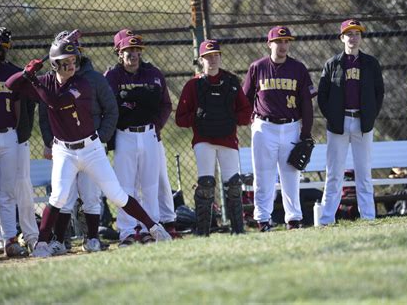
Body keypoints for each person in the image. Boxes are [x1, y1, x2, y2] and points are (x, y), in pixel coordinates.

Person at [6, 38, 171, 258]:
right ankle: (42, 243)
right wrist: (27, 73)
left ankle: (154, 228)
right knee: (59, 197)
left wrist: (34, 81)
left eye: (74, 60)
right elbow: (10, 84)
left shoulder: (81, 84)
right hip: (64, 150)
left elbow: (57, 102)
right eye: (66, 61)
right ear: (55, 64)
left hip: (91, 148)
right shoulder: (45, 81)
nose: (72, 65)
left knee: (117, 194)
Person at [39, 30, 118, 253]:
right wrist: (49, 142)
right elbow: (44, 116)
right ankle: (59, 241)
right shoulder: (51, 81)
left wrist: (100, 138)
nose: (71, 58)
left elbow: (111, 110)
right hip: (63, 146)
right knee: (64, 196)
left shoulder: (93, 78)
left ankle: (91, 238)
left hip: (91, 145)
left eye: (74, 50)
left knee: (91, 194)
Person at [242, 26, 316, 231]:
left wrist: (306, 132)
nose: (283, 45)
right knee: (263, 175)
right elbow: (245, 99)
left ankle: (293, 219)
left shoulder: (298, 68)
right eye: (279, 41)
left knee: (290, 175)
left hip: (291, 126)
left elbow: (307, 103)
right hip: (264, 127)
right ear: (269, 44)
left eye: (286, 41)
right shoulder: (257, 67)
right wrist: (251, 121)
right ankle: (262, 219)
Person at [176, 39, 251, 236]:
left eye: (216, 55)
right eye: (208, 56)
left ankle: (238, 230)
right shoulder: (193, 85)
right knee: (206, 185)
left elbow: (246, 112)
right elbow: (180, 119)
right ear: (201, 60)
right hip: (204, 140)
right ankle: (202, 232)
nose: (213, 59)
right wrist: (198, 117)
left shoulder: (231, 81)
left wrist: (230, 117)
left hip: (228, 139)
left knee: (234, 184)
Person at [105, 31, 172, 246]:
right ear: (119, 53)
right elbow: (107, 107)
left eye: (136, 50)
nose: (133, 55)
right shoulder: (112, 77)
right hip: (125, 135)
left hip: (149, 134)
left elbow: (166, 104)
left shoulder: (153, 73)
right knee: (125, 186)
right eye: (127, 51)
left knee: (150, 185)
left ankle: (148, 229)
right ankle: (126, 232)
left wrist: (157, 126)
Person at [317, 19, 384, 225]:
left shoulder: (371, 63)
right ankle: (327, 218)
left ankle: (368, 217)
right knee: (334, 173)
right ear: (342, 38)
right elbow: (322, 95)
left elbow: (378, 93)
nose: (353, 37)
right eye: (349, 33)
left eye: (357, 33)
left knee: (363, 172)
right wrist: (334, 117)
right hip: (339, 123)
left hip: (362, 122)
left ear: (361, 37)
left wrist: (370, 116)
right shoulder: (332, 63)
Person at [0, 26, 32, 257]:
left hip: (8, 135)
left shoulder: (13, 73)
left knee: (8, 191)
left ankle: (10, 239)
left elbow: (20, 106)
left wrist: (16, 132)